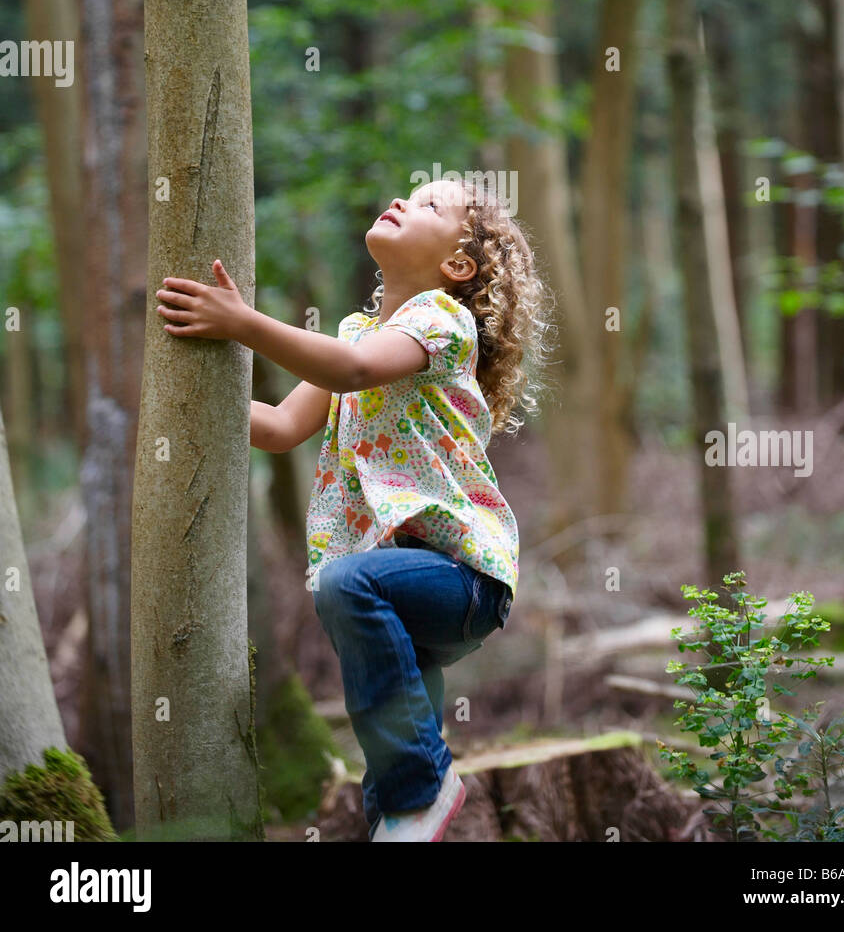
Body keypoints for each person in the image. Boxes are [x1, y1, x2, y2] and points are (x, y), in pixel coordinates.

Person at [155, 175, 549, 842]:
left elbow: (353, 373)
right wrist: (178, 401)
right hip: (404, 590)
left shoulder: (439, 322)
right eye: (408, 193)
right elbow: (281, 426)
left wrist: (242, 322)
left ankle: (426, 787)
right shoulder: (357, 332)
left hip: (463, 576)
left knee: (346, 583)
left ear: (457, 265)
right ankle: (401, 812)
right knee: (389, 775)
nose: (401, 200)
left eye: (428, 205)